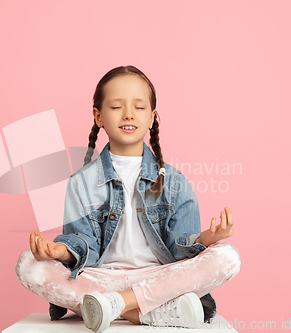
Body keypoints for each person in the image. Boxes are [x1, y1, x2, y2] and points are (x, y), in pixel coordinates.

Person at [15, 65, 241, 332]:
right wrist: (60, 251)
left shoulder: (175, 182)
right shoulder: (81, 182)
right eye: (116, 106)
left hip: (158, 278)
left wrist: (206, 240)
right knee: (28, 264)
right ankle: (148, 313)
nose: (128, 114)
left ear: (152, 117)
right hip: (101, 279)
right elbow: (84, 243)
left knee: (227, 256)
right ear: (98, 116)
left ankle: (116, 305)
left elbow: (181, 253)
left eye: (139, 107)